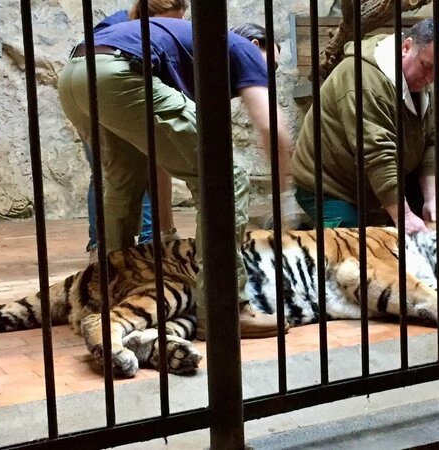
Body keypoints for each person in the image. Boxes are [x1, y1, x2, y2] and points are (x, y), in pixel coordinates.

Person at [57, 19, 292, 339]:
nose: (269, 77)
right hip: (118, 73)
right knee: (226, 175)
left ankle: (108, 294)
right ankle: (224, 311)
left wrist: (165, 230)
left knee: (123, 183)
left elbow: (159, 160)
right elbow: (271, 127)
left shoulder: (193, 59)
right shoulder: (240, 49)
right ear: (255, 46)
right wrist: (282, 187)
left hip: (76, 75)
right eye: (272, 67)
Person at [290, 18, 439, 233]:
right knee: (352, 248)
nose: (431, 78)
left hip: (368, 181)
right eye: (427, 66)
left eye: (438, 71)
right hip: (330, 186)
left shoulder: (418, 81)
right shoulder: (363, 78)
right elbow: (377, 153)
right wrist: (404, 216)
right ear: (406, 47)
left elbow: (432, 140)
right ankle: (306, 230)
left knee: (400, 243)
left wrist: (431, 200)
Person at [82, 0, 189, 260]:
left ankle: (130, 245)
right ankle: (113, 245)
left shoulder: (139, 28)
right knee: (115, 170)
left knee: (126, 168)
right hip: (102, 101)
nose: (174, 27)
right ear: (150, 14)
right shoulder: (126, 28)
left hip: (97, 97)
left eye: (179, 21)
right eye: (170, 20)